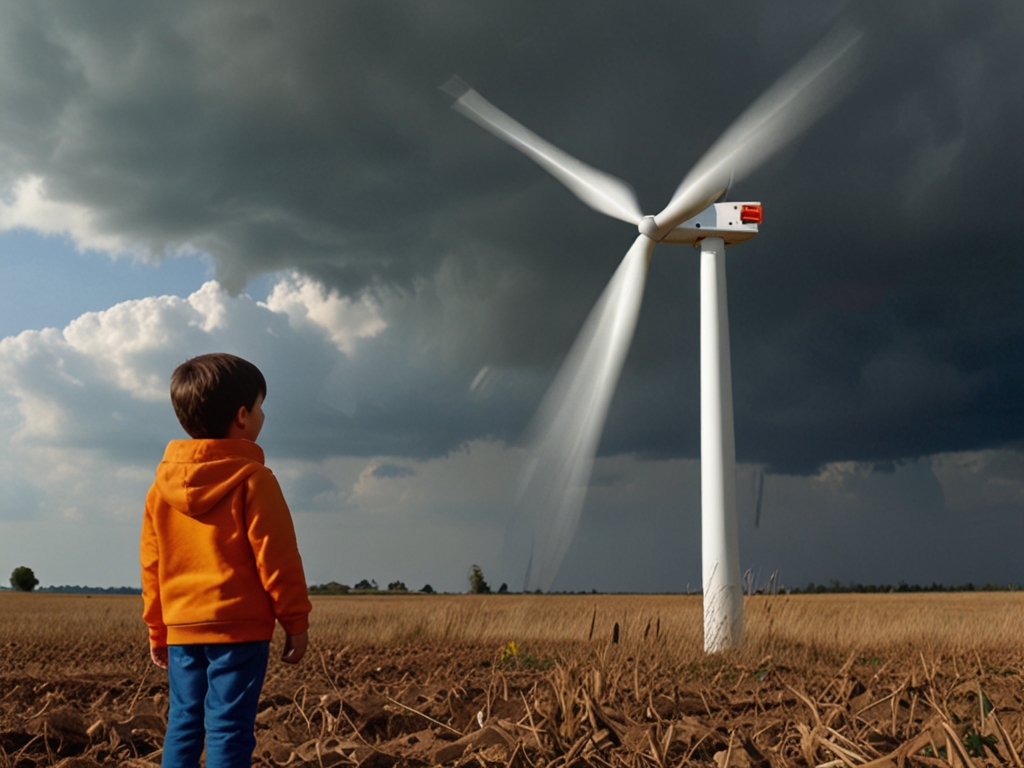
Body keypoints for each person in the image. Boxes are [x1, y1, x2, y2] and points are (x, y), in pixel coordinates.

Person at [141, 353, 312, 768]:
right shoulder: (254, 481)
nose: (262, 414)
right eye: (260, 406)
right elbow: (278, 560)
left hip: (183, 629)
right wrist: (296, 622)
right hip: (239, 631)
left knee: (183, 723)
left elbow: (153, 567)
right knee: (229, 728)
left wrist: (157, 628)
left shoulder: (159, 490)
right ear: (242, 417)